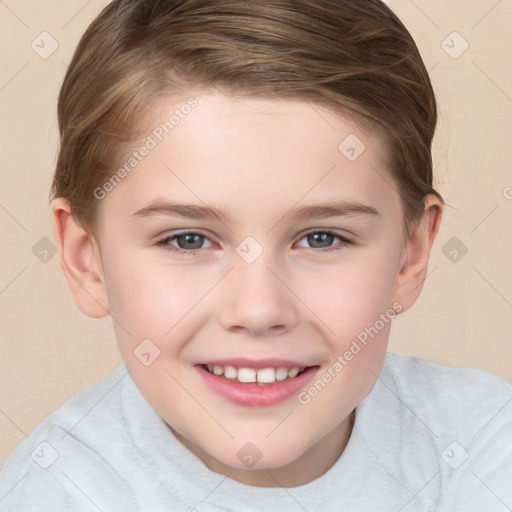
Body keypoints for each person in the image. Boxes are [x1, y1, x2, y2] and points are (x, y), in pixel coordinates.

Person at [1, 0, 511, 510]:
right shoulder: (53, 494)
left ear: (410, 254)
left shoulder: (487, 447)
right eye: (188, 240)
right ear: (87, 261)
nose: (259, 310)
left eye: (321, 238)